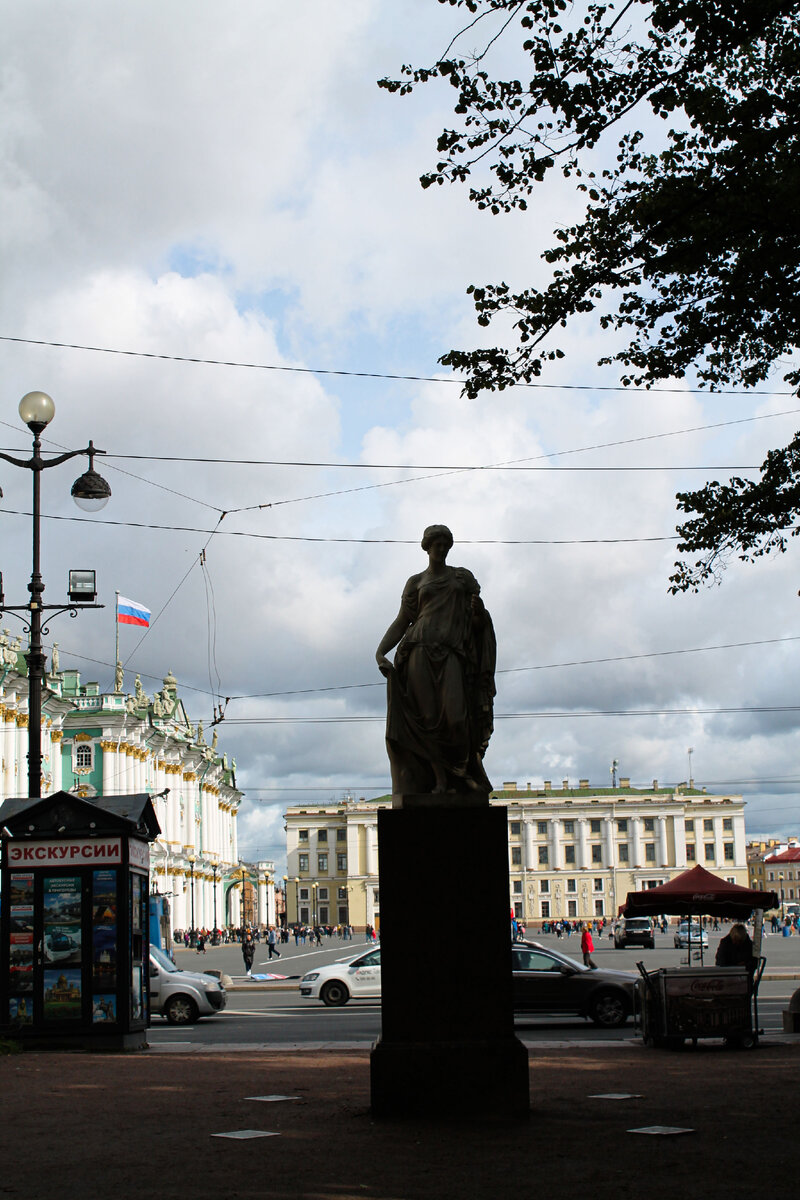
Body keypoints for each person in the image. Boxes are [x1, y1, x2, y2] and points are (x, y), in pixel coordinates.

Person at [375, 524, 496, 795]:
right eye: (436, 544)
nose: (441, 548)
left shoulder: (462, 579)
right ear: (426, 547)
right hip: (418, 651)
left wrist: (479, 613)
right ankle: (440, 781)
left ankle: (461, 774)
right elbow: (402, 621)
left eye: (445, 544)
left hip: (451, 653)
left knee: (455, 718)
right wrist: (380, 651)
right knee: (427, 718)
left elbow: (476, 624)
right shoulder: (416, 582)